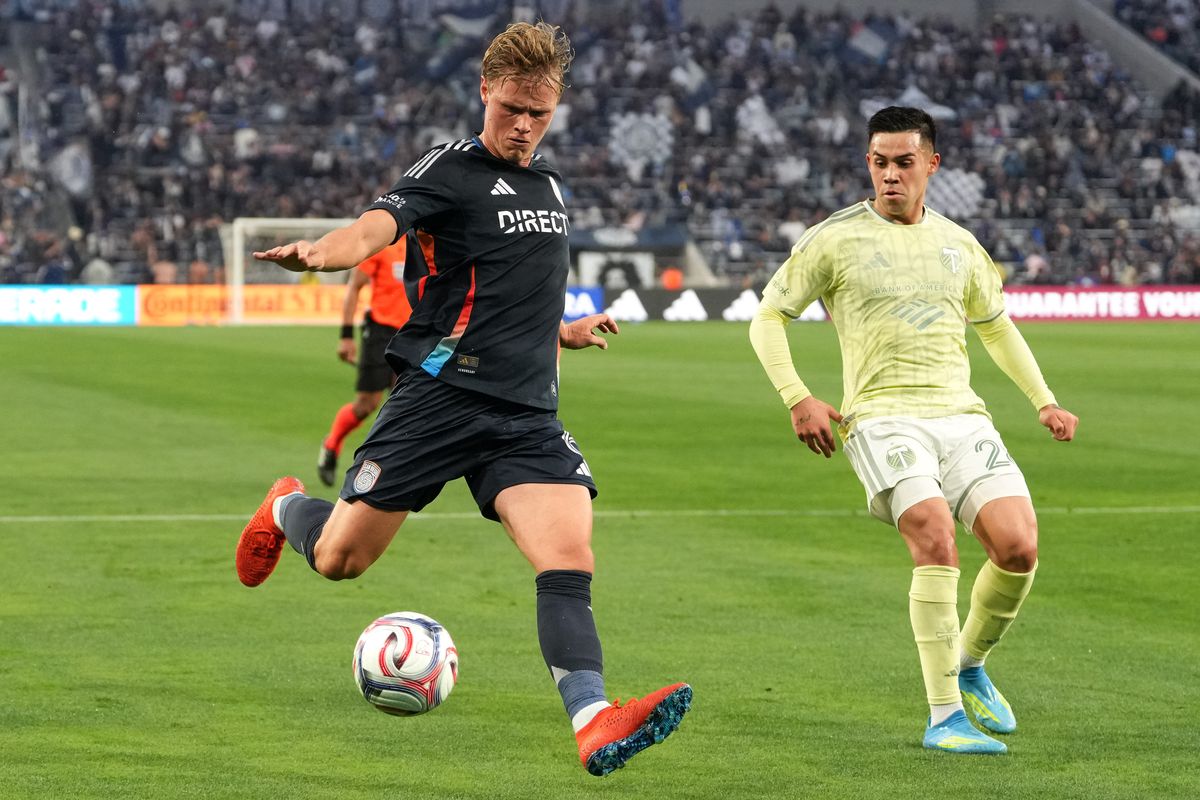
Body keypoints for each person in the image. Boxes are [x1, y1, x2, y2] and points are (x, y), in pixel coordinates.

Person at [235, 21, 690, 777]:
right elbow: (375, 227)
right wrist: (322, 252)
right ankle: (287, 506)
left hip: (524, 413)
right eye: (512, 108)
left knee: (568, 557)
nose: (524, 125)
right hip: (441, 396)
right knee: (342, 559)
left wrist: (562, 333)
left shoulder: (551, 187)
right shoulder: (450, 168)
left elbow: (514, 290)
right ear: (485, 92)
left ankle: (593, 720)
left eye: (539, 113)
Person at [749, 106, 1079, 755]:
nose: (890, 174)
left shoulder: (960, 243)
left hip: (960, 415)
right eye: (879, 162)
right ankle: (944, 717)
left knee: (1018, 547)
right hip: (881, 417)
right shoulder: (834, 239)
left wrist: (1044, 400)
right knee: (933, 533)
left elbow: (996, 327)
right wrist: (798, 397)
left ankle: (970, 663)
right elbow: (768, 317)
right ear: (868, 163)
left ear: (932, 163)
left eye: (904, 162)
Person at [317, 237, 412, 487]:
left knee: (406, 404)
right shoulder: (384, 243)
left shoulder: (426, 243)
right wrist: (346, 336)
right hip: (380, 332)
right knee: (366, 404)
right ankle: (332, 444)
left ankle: (391, 468)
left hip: (412, 333)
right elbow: (354, 287)